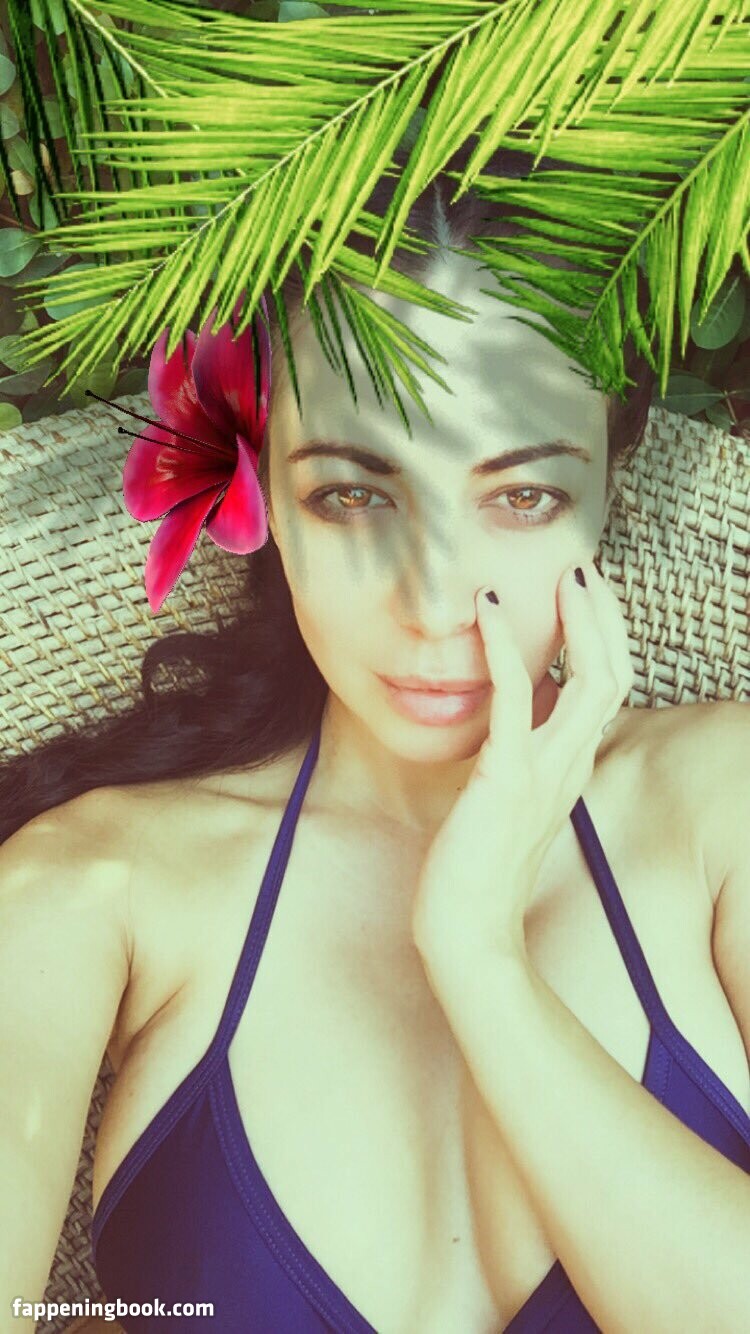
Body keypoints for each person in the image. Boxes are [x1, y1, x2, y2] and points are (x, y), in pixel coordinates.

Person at [1, 150, 748, 1334]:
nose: (436, 600)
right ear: (262, 490)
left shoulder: (722, 808)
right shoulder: (93, 885)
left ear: (613, 470)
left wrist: (479, 956)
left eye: (522, 495)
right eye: (352, 493)